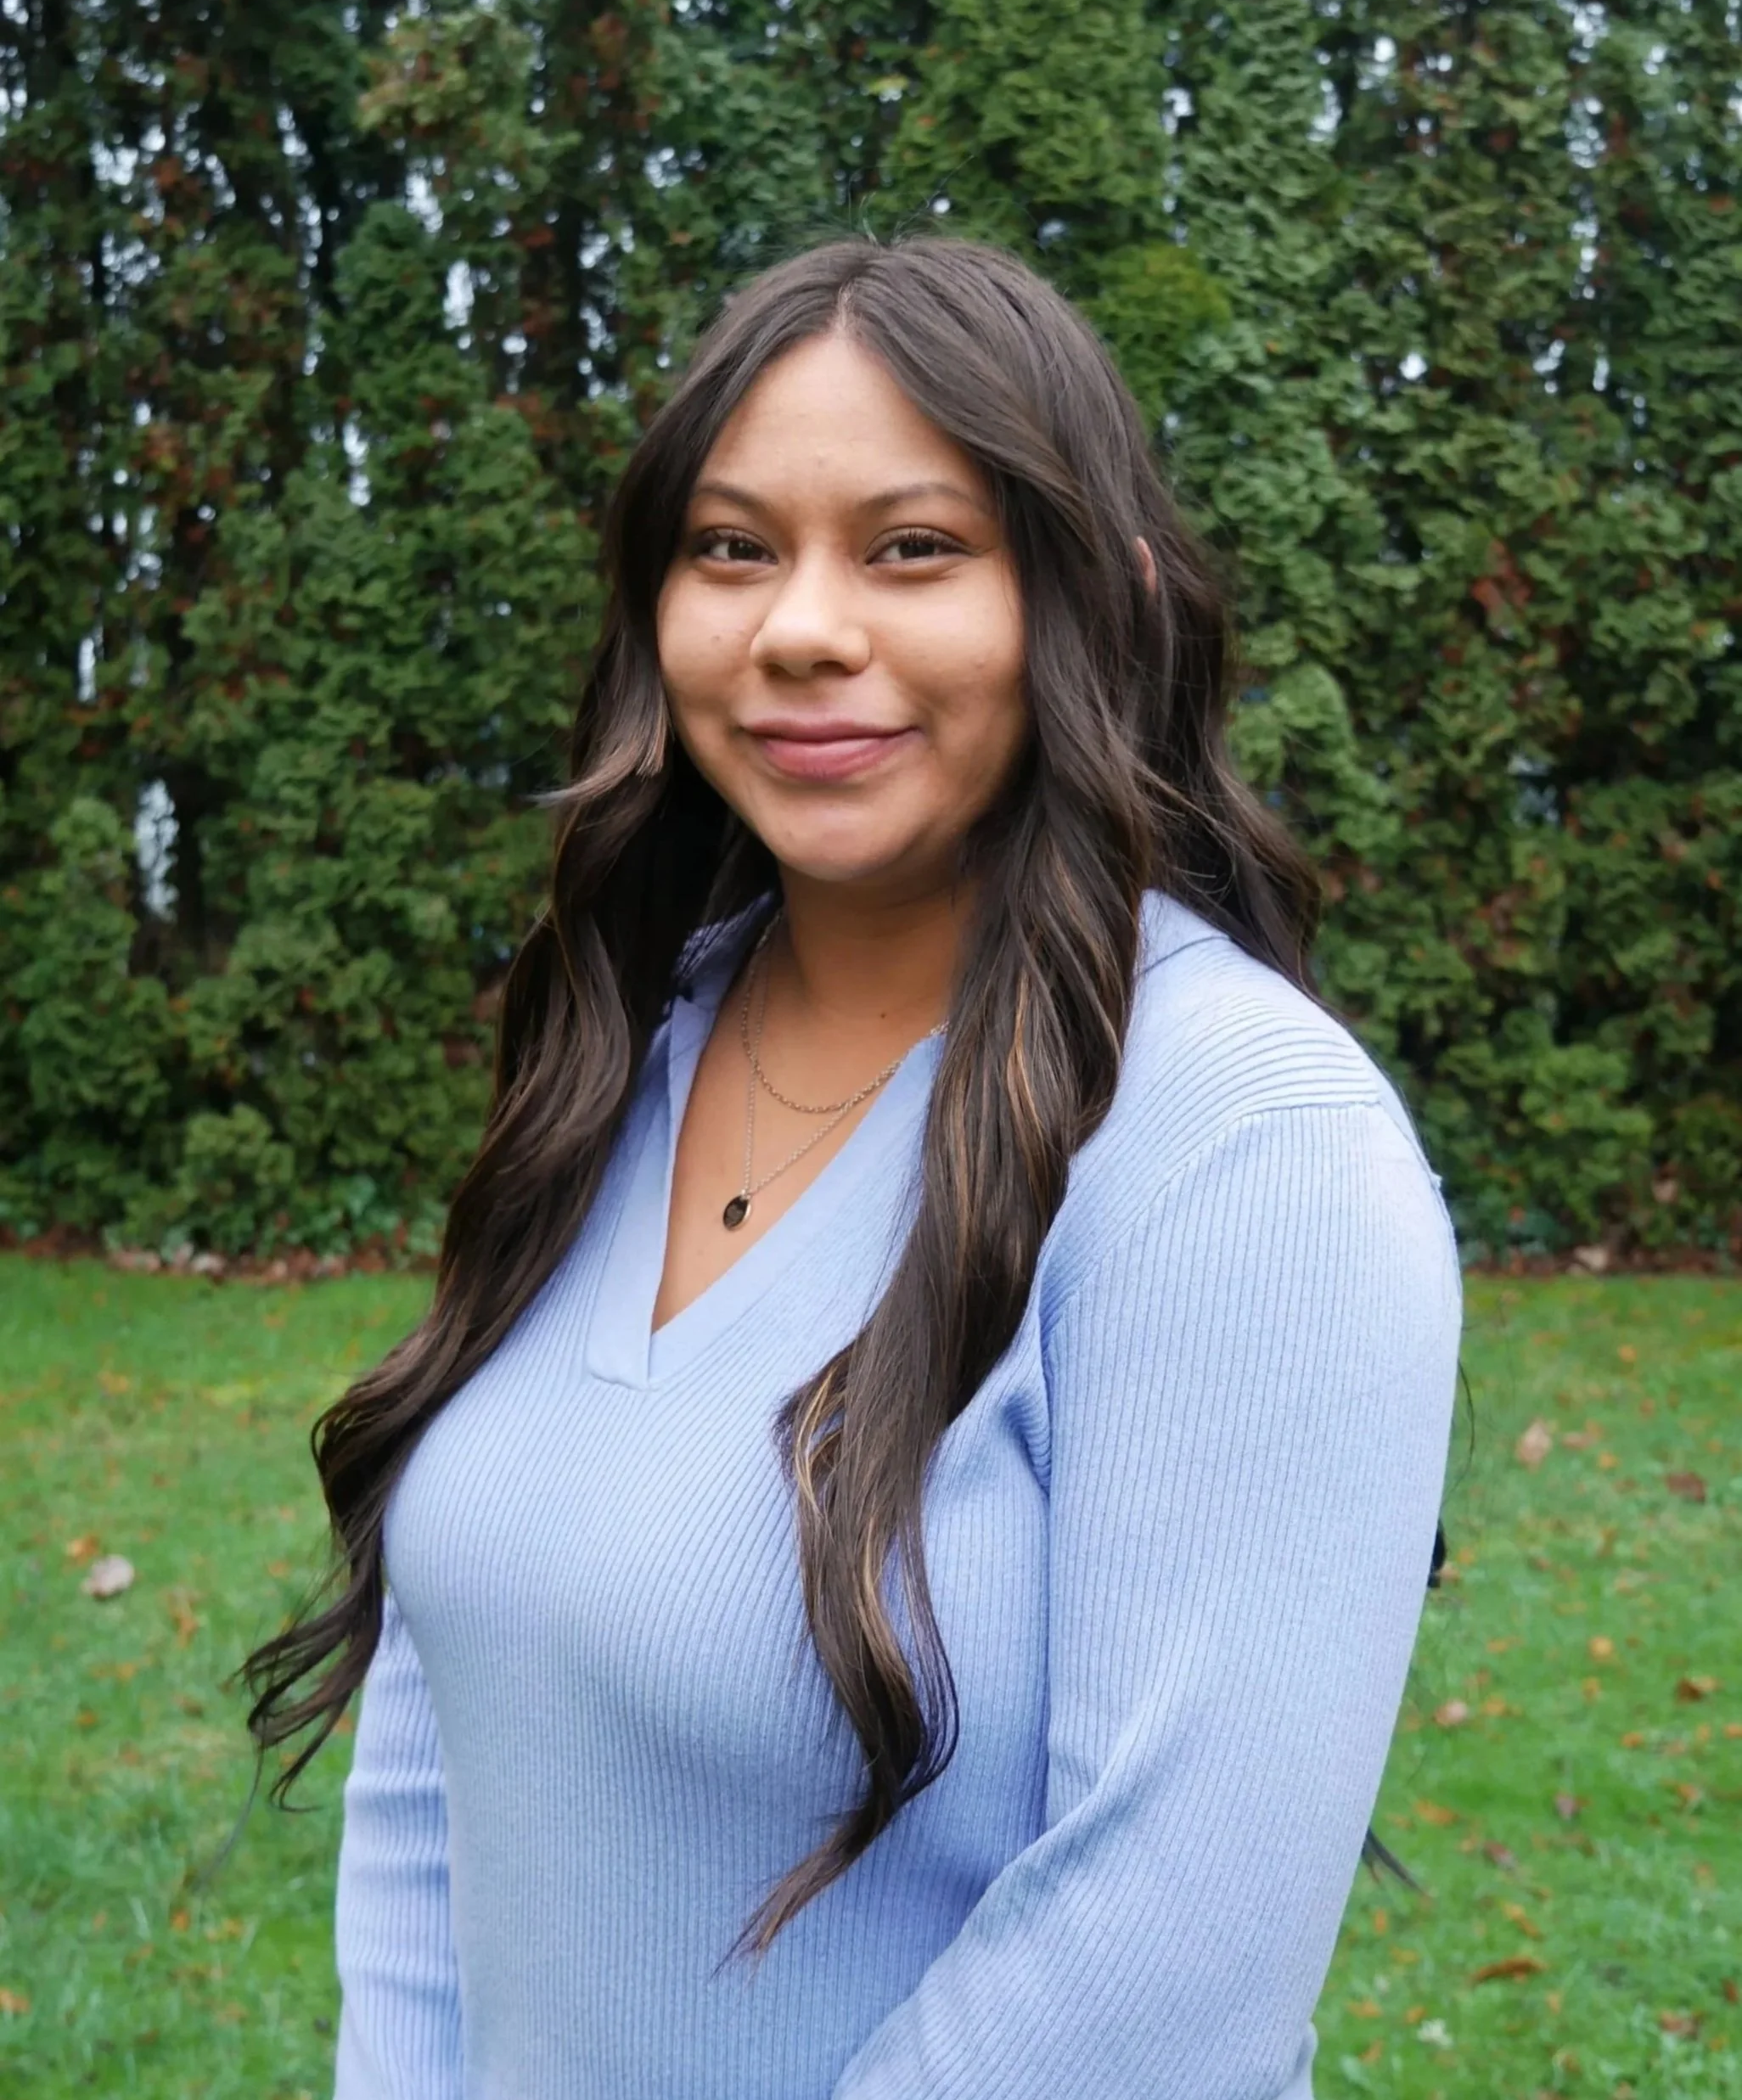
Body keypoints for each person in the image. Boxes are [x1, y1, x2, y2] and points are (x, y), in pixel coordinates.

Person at [245, 233, 1463, 2099]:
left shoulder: (1244, 1143)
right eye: (733, 547)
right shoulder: (622, 1058)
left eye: (913, 547)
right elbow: (445, 1728)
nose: (801, 627)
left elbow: (1164, 1979)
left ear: (1102, 600)